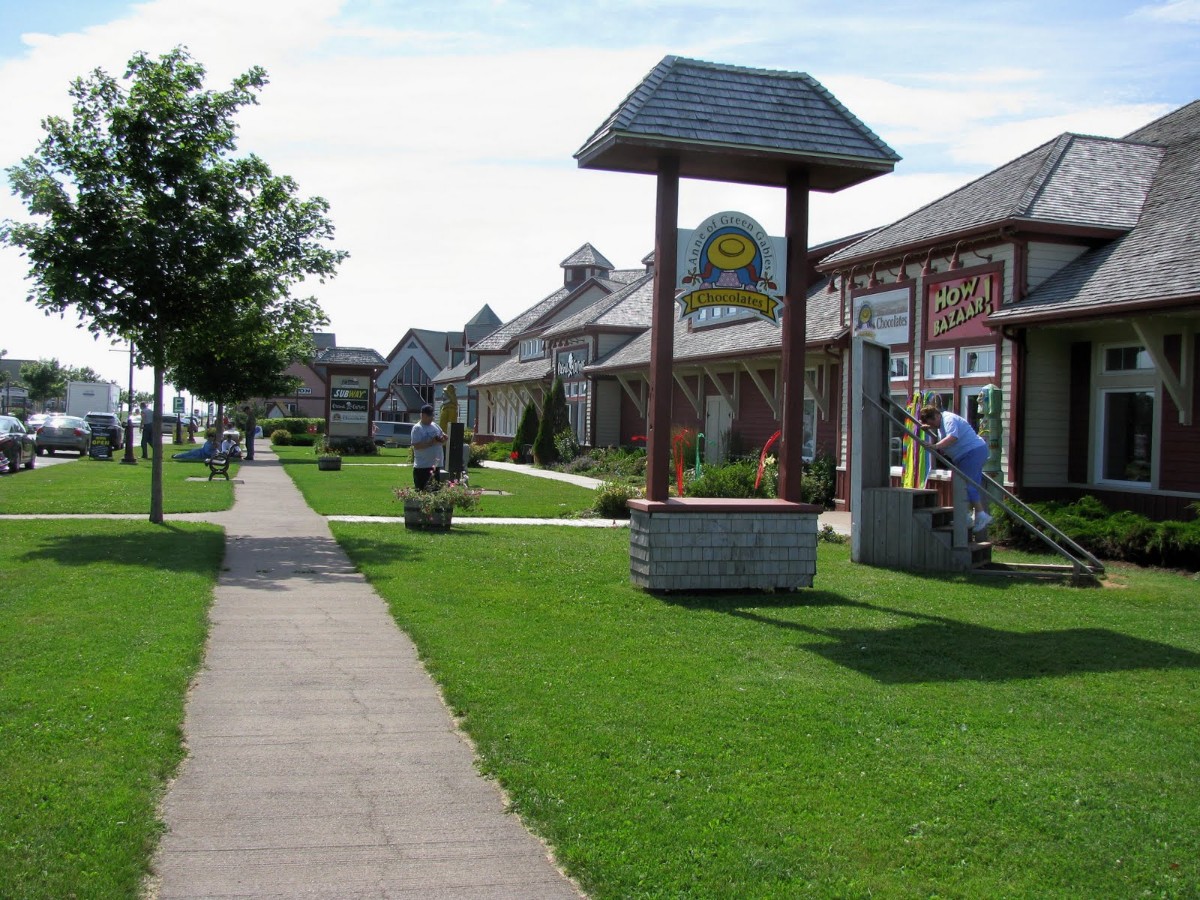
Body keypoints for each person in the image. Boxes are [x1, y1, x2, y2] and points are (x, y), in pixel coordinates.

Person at [919, 405, 992, 532]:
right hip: (967, 455)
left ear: (937, 415)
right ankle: (966, 517)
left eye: (933, 422)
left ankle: (981, 515)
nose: (934, 426)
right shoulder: (941, 422)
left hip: (972, 453)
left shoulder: (948, 419)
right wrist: (931, 427)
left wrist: (935, 446)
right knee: (963, 485)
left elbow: (953, 437)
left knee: (967, 485)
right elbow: (942, 430)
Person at [410, 403, 447, 490]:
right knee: (422, 492)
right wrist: (431, 442)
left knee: (435, 493)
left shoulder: (435, 425)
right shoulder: (417, 428)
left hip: (436, 465)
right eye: (429, 416)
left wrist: (444, 438)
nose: (432, 418)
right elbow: (416, 446)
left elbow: (442, 436)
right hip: (423, 467)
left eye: (432, 415)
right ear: (422, 415)